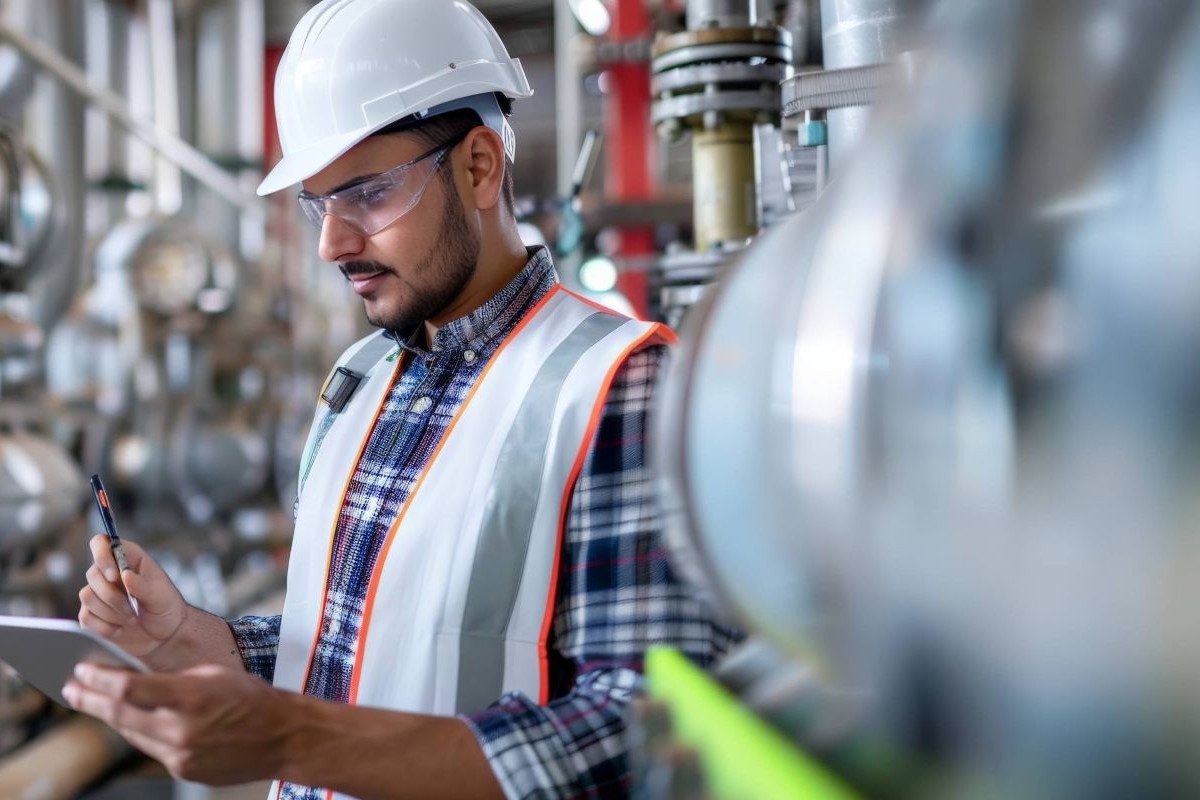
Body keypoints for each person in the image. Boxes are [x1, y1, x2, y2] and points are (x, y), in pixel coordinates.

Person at [66, 1, 734, 798]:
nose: (331, 244)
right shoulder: (362, 378)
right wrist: (196, 642)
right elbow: (371, 637)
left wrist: (292, 737)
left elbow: (647, 731)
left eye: (368, 195)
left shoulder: (619, 386)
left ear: (480, 166)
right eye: (319, 204)